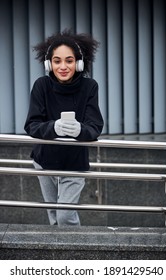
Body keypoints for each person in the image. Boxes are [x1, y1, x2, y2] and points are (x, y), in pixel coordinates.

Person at [24, 29, 104, 226]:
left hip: (74, 165)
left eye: (69, 60)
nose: (63, 66)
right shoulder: (41, 85)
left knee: (65, 216)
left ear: (78, 63)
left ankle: (74, 254)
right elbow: (32, 125)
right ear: (48, 63)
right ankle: (57, 254)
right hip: (44, 162)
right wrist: (54, 128)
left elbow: (95, 127)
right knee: (53, 216)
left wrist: (80, 131)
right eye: (57, 60)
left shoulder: (89, 87)